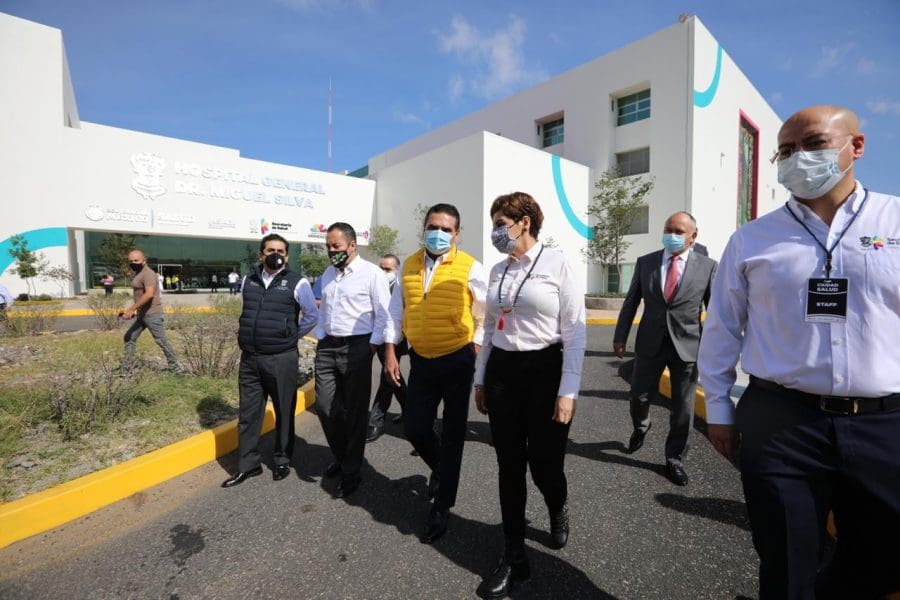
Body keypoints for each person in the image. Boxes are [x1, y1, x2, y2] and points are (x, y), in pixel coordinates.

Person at [698, 105, 900, 599]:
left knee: (883, 561)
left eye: (812, 144)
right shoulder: (752, 239)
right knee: (785, 560)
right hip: (782, 421)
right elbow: (722, 328)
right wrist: (719, 409)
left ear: (856, 146)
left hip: (885, 422)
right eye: (785, 151)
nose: (797, 158)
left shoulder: (894, 220)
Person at [473, 192, 586, 599]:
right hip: (503, 372)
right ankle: (513, 553)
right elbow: (490, 328)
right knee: (509, 466)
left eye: (500, 224)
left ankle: (557, 504)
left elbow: (575, 332)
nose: (495, 232)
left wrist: (568, 391)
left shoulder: (558, 263)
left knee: (544, 465)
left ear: (525, 222)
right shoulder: (498, 270)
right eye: (494, 224)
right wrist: (481, 379)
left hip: (546, 372)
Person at [384, 203, 487, 544]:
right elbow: (396, 310)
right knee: (415, 428)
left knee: (454, 433)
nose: (438, 233)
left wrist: (476, 343)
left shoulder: (470, 267)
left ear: (457, 234)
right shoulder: (409, 265)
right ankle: (442, 470)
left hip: (458, 360)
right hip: (422, 361)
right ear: (424, 228)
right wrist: (390, 350)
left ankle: (442, 506)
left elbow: (487, 311)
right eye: (433, 227)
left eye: (446, 229)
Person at [613, 211, 716, 487]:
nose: (672, 235)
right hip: (650, 343)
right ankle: (641, 425)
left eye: (679, 231)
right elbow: (631, 302)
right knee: (638, 397)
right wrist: (620, 336)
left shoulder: (707, 267)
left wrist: (714, 348)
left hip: (687, 347)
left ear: (693, 236)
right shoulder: (646, 262)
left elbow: (716, 311)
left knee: (683, 409)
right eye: (668, 229)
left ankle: (675, 459)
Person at [222, 234, 318, 487]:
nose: (275, 254)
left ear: (286, 256)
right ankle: (248, 465)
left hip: (281, 359)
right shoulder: (248, 280)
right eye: (270, 250)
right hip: (250, 358)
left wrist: (289, 337)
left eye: (280, 251)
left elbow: (311, 315)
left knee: (284, 410)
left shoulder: (297, 282)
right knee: (248, 414)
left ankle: (282, 459)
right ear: (261, 255)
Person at [315, 222, 391, 498]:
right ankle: (342, 455)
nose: (331, 251)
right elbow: (324, 309)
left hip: (357, 346)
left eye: (335, 246)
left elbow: (384, 313)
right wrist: (321, 336)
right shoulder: (328, 274)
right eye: (328, 246)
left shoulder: (372, 274)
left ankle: (351, 470)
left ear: (352, 245)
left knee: (355, 412)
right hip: (327, 346)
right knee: (325, 406)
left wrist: (372, 345)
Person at [365, 253, 408, 443]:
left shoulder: (399, 287)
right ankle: (411, 411)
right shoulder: (374, 284)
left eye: (387, 269)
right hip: (375, 336)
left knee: (388, 377)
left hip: (394, 339)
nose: (383, 272)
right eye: (381, 268)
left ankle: (376, 421)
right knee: (393, 377)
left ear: (396, 270)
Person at [121, 250, 181, 373]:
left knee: (161, 341)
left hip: (152, 314)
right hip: (143, 314)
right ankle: (127, 368)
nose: (133, 263)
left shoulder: (148, 274)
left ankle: (175, 368)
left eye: (136, 260)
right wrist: (136, 310)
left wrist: (131, 309)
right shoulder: (139, 273)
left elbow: (149, 294)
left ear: (144, 261)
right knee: (129, 337)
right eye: (131, 261)